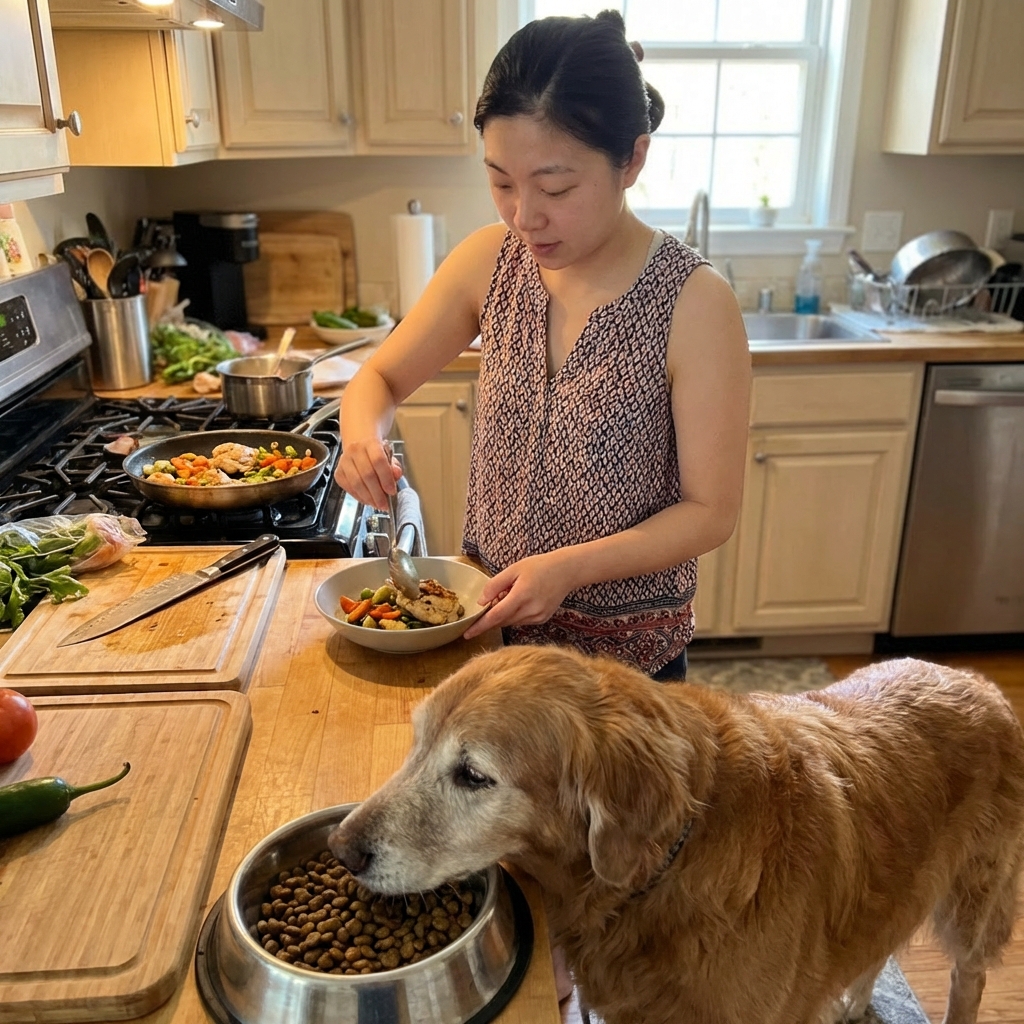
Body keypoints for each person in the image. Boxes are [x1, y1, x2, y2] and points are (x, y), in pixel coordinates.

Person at [335, 10, 750, 681]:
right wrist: (361, 436)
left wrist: (568, 569)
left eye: (555, 187)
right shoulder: (488, 262)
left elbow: (711, 512)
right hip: (493, 643)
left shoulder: (695, 303)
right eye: (501, 182)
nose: (524, 215)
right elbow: (377, 378)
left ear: (632, 159)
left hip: (627, 674)